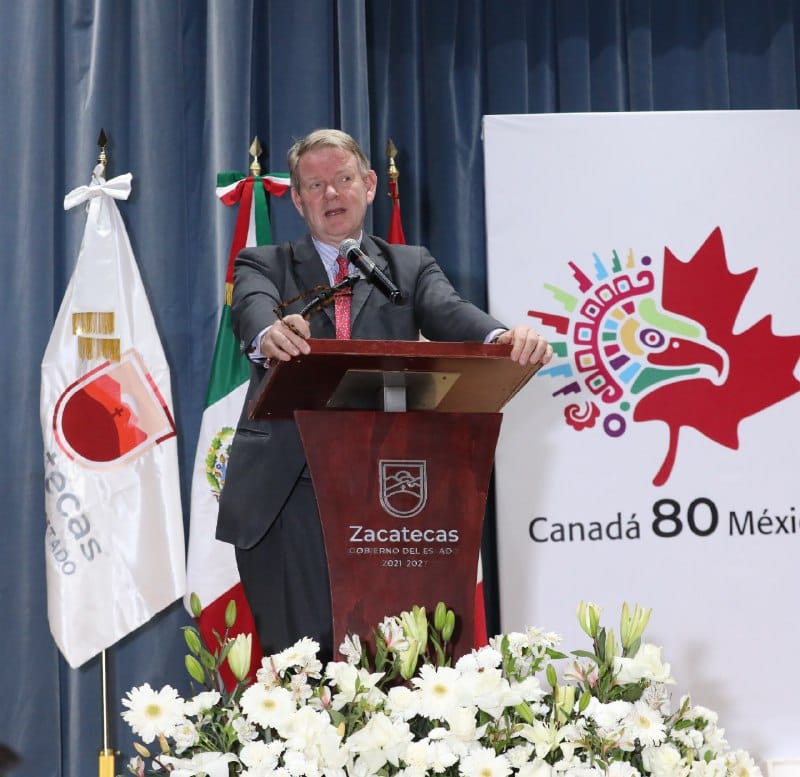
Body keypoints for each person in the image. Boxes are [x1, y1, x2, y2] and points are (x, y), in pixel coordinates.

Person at [216, 128, 553, 661]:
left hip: (390, 492)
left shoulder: (407, 267)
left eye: (343, 179)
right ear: (299, 199)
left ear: (369, 186)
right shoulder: (265, 265)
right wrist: (269, 333)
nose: (331, 194)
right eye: (316, 185)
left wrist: (500, 337)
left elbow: (452, 313)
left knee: (395, 662)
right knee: (301, 664)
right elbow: (253, 308)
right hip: (289, 493)